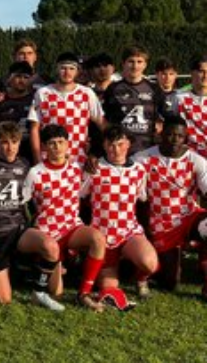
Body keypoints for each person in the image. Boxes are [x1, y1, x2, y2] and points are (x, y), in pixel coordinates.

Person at [0, 121, 64, 311]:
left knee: (50, 246)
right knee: (4, 299)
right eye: (5, 142)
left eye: (14, 142)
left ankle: (39, 292)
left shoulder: (25, 164)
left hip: (18, 230)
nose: (10, 147)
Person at [23, 124, 106, 311]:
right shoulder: (35, 172)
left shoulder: (77, 168)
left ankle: (84, 293)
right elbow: (23, 202)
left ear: (68, 144)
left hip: (71, 227)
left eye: (61, 142)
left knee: (98, 238)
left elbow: (84, 191)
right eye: (52, 143)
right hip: (48, 232)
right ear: (44, 146)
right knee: (57, 292)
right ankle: (42, 263)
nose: (57, 147)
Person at [81, 125, 158, 301]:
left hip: (128, 232)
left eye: (120, 144)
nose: (116, 150)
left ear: (129, 144)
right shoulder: (94, 168)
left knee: (150, 263)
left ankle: (141, 280)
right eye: (111, 144)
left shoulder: (139, 170)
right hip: (102, 236)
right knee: (109, 288)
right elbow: (80, 196)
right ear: (104, 145)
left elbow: (142, 198)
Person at [133, 116, 207, 295]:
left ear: (185, 137)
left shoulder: (196, 160)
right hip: (161, 225)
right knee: (169, 283)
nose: (175, 140)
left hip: (189, 216)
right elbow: (137, 196)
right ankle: (150, 269)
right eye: (170, 134)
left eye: (180, 136)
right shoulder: (142, 158)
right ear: (161, 134)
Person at [28, 52, 106, 167]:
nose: (67, 72)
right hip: (49, 158)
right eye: (63, 68)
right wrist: (37, 160)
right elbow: (34, 128)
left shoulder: (86, 93)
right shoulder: (43, 93)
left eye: (71, 68)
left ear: (77, 71)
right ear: (56, 69)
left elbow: (102, 124)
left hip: (78, 158)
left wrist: (98, 153)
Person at [103, 45, 165, 155]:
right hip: (120, 152)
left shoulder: (155, 88)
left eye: (139, 62)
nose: (135, 66)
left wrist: (161, 130)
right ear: (123, 63)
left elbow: (166, 117)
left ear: (145, 64)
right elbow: (104, 120)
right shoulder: (113, 89)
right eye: (131, 61)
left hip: (147, 150)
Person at [0, 61, 35, 163]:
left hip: (28, 153)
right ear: (9, 78)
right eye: (18, 76)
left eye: (26, 77)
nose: (22, 80)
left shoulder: (36, 99)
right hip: (3, 154)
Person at [170, 54, 207, 159]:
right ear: (192, 73)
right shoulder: (179, 98)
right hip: (189, 157)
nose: (205, 76)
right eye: (201, 71)